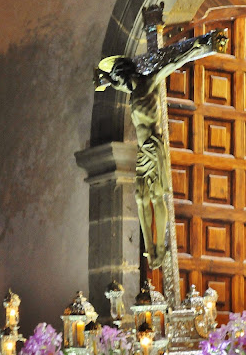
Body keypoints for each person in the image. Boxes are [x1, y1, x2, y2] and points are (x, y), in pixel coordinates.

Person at [94, 24, 227, 270]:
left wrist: (201, 45)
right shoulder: (131, 91)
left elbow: (172, 64)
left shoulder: (149, 83)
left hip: (154, 145)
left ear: (127, 74)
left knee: (155, 196)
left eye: (120, 77)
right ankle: (150, 248)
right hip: (143, 149)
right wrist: (103, 80)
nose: (120, 83)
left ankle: (160, 244)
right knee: (139, 196)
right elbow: (114, 83)